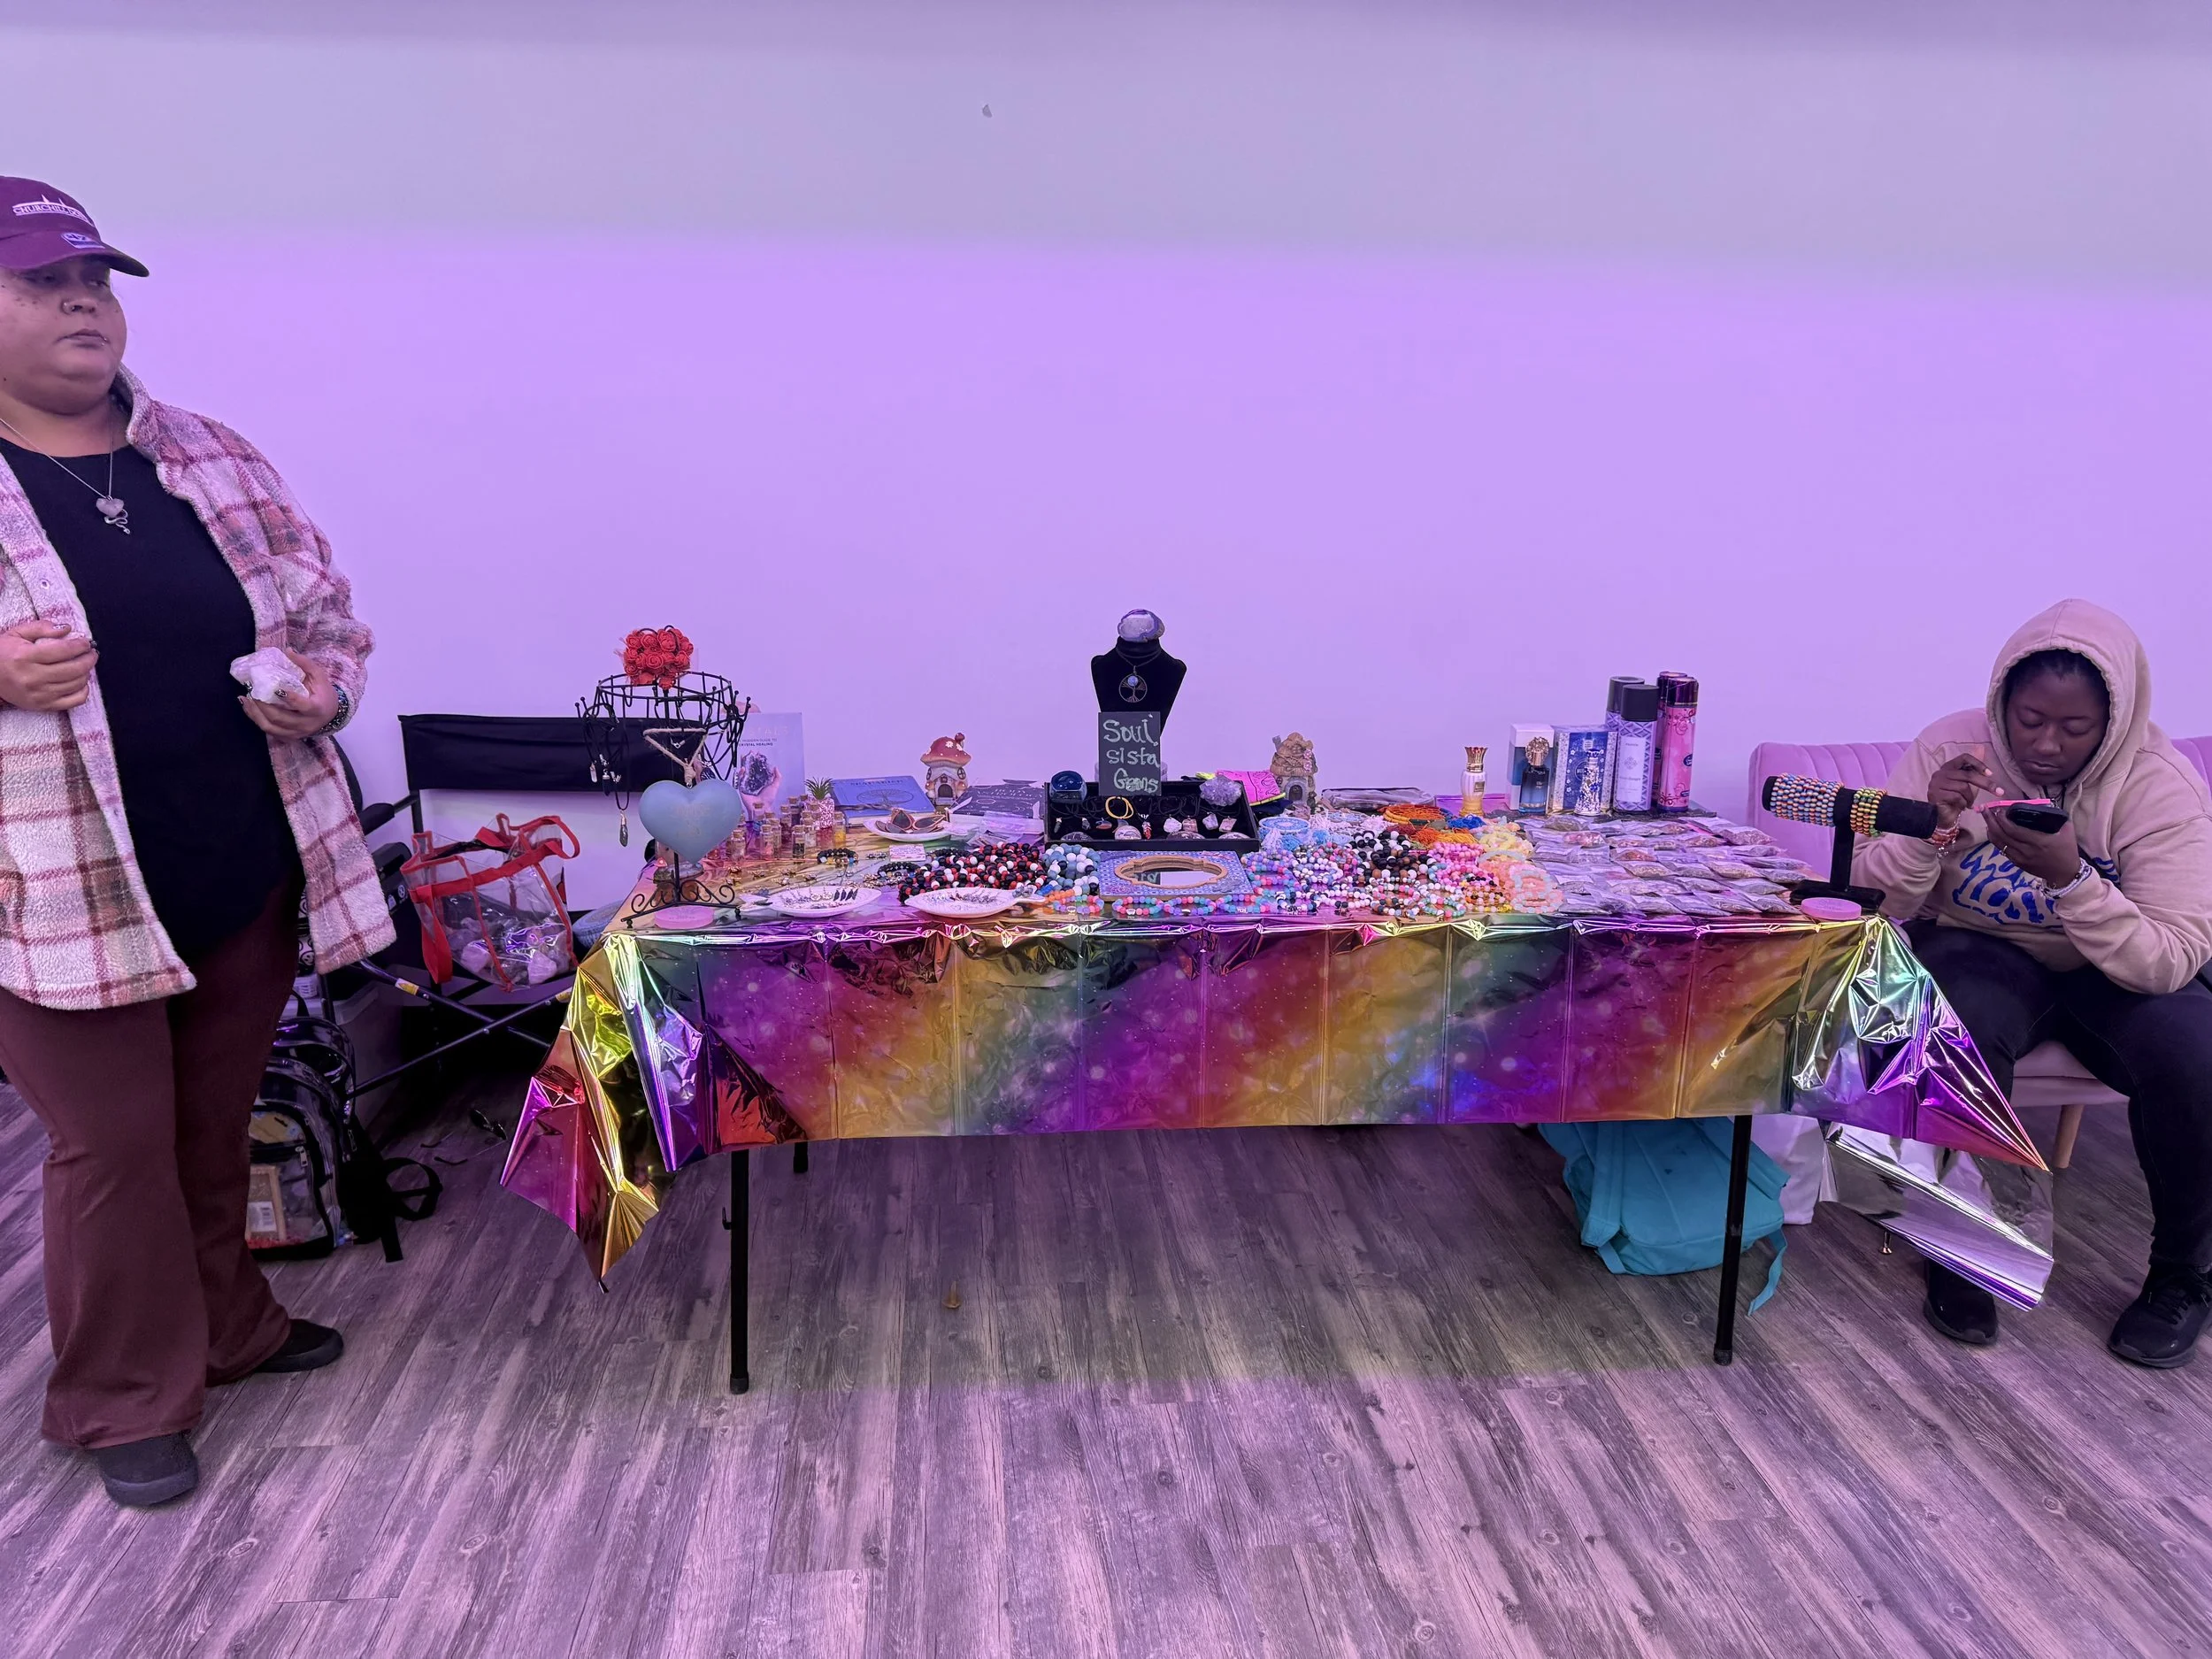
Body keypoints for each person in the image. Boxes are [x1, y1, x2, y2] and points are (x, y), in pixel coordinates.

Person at [0, 180, 393, 1506]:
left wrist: (315, 687)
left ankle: (229, 1324)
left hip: (238, 859)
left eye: (94, 282)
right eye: (40, 282)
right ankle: (117, 1399)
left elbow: (328, 615)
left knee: (211, 1122)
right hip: (53, 892)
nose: (79, 304)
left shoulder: (208, 454)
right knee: (109, 1147)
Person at [1857, 599, 2212, 1367]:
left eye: (2073, 728)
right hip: (1980, 945)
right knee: (1955, 1020)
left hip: (2113, 964)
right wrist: (1929, 826)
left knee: (2195, 1054)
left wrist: (2077, 880)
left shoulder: (2160, 786)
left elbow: (2172, 955)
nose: (2045, 744)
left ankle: (2184, 1274)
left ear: (2112, 721)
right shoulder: (1952, 749)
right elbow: (1878, 905)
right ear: (2001, 705)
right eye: (2028, 720)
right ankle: (1961, 1248)